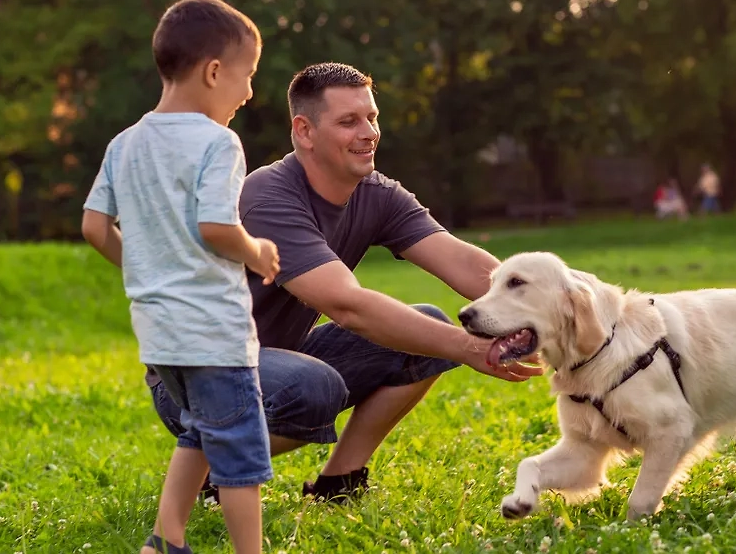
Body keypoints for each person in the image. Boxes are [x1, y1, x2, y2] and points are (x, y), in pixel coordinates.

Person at [147, 61, 543, 505]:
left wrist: (546, 308)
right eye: (348, 121)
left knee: (423, 328)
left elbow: (465, 264)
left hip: (273, 359)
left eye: (372, 117)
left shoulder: (377, 193)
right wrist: (470, 347)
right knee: (314, 386)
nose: (369, 132)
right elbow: (346, 305)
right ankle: (208, 466)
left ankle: (339, 482)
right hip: (194, 378)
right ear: (305, 131)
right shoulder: (268, 196)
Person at [81, 0, 280, 554]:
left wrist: (146, 267)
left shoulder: (125, 143)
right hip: (212, 333)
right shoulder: (218, 142)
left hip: (159, 335)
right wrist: (257, 250)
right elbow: (218, 226)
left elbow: (96, 228)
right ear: (214, 71)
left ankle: (166, 540)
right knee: (239, 452)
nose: (248, 93)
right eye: (247, 77)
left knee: (199, 428)